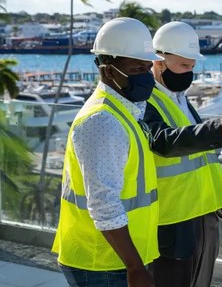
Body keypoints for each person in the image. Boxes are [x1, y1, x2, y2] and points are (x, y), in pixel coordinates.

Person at [142, 21, 222, 287]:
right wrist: (219, 127)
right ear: (158, 62)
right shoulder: (146, 101)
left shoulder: (179, 96)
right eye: (184, 65)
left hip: (203, 217)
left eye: (193, 66)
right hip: (173, 225)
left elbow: (193, 143)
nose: (189, 73)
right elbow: (164, 142)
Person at [52, 17, 163, 287]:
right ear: (108, 71)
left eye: (148, 66)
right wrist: (135, 267)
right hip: (103, 263)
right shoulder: (102, 121)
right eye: (136, 68)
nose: (146, 74)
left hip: (117, 258)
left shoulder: (123, 110)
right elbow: (104, 205)